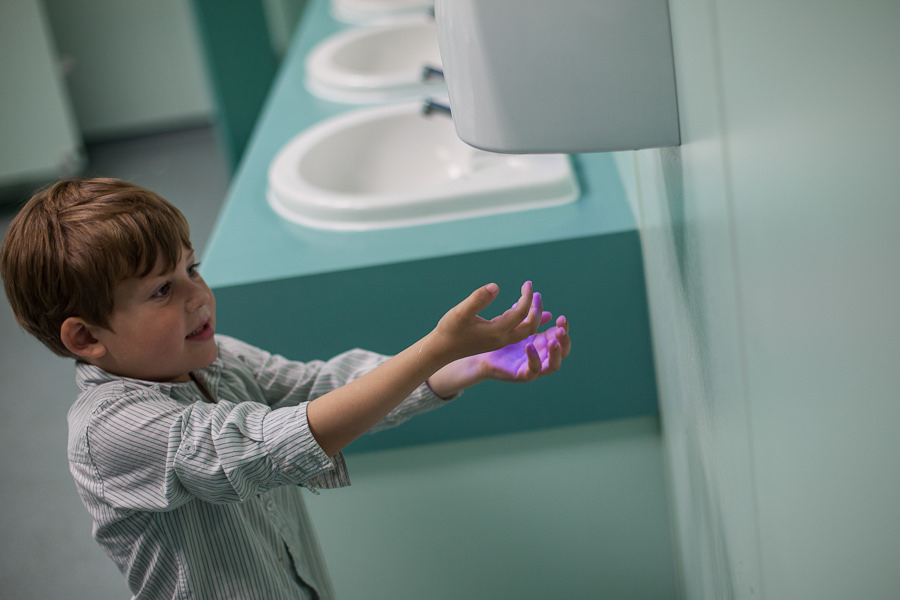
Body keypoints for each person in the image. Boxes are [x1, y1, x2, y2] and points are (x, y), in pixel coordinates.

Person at [0, 177, 571, 599]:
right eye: (161, 292)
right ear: (85, 336)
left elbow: (319, 387)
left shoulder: (216, 359)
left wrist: (461, 367)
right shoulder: (110, 432)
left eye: (192, 270)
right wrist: (435, 347)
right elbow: (266, 446)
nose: (198, 297)